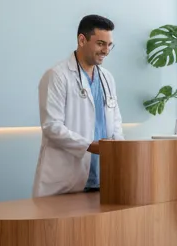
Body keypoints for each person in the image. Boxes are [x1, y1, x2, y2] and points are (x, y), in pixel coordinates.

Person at [33, 14, 124, 197]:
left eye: (109, 45)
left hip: (102, 181)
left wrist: (120, 153)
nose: (106, 51)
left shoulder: (107, 78)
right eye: (100, 43)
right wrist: (90, 146)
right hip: (65, 182)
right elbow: (52, 127)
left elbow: (115, 124)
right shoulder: (57, 76)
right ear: (82, 40)